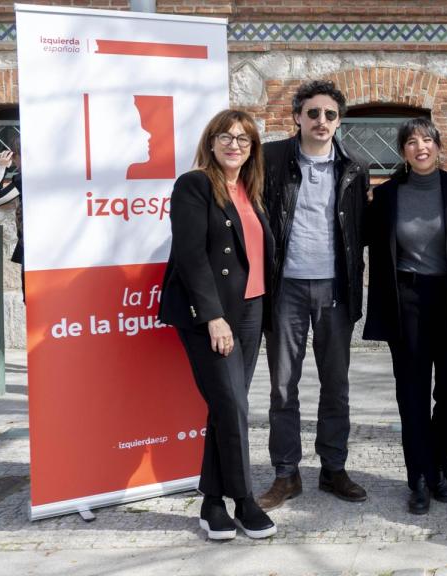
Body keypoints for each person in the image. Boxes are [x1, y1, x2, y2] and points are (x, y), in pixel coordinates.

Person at [158, 109, 277, 541]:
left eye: (243, 140)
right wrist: (213, 317)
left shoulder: (251, 189)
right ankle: (244, 500)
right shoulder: (194, 185)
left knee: (228, 407)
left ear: (252, 149)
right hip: (213, 315)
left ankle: (211, 501)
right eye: (225, 137)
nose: (234, 145)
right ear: (210, 143)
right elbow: (190, 256)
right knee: (233, 406)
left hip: (251, 310)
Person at [258, 80, 370, 510]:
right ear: (297, 117)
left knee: (335, 383)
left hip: (335, 288)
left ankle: (333, 468)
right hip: (285, 287)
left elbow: (359, 233)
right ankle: (286, 474)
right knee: (283, 387)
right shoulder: (271, 159)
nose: (321, 121)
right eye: (313, 113)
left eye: (330, 115)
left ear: (338, 121)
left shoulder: (354, 167)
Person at [362, 118, 447, 515]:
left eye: (427, 139)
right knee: (412, 393)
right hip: (406, 299)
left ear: (439, 145)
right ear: (402, 151)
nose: (420, 147)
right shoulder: (387, 195)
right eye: (411, 142)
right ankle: (420, 480)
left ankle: (439, 467)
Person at [0, 141, 25, 299]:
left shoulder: (24, 179)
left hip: (31, 247)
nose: (14, 161)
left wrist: (2, 167)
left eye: (15, 156)